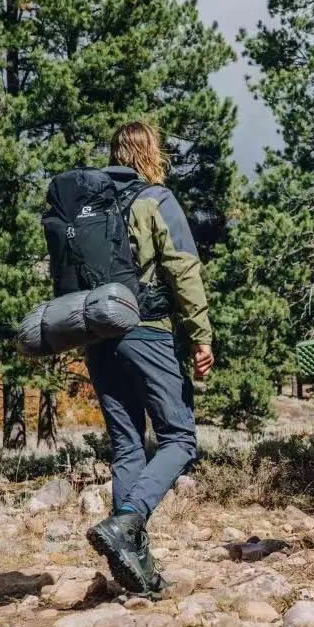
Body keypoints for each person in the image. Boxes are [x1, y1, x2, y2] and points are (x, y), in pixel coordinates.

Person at [84, 121, 214, 597]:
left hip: (97, 337)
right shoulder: (155, 199)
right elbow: (183, 267)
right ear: (150, 153)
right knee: (180, 438)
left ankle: (137, 571)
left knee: (127, 447)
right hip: (146, 332)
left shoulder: (89, 204)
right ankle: (127, 522)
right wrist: (201, 335)